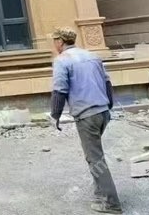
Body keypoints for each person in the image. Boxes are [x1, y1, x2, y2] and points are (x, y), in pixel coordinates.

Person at [50, 27, 122, 214]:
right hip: (103, 112)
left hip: (86, 115)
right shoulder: (92, 56)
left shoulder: (62, 60)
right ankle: (100, 194)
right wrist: (108, 106)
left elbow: (59, 90)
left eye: (55, 41)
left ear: (60, 41)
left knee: (95, 159)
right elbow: (107, 82)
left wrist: (55, 116)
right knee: (95, 155)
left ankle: (112, 204)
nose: (54, 44)